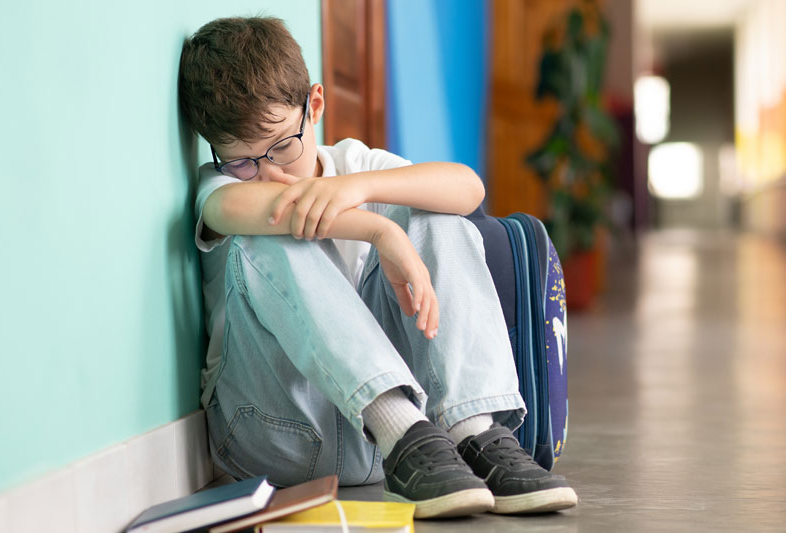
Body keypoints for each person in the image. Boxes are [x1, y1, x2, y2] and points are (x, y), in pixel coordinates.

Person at [178, 16, 578, 519]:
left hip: (395, 455)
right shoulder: (222, 188)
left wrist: (362, 190)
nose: (272, 173)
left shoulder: (352, 163)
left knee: (437, 212)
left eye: (282, 145)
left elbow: (469, 189)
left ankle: (474, 430)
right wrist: (379, 231)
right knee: (270, 227)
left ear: (315, 106)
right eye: (242, 161)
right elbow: (229, 210)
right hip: (272, 434)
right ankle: (398, 426)